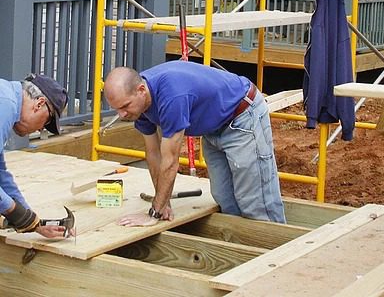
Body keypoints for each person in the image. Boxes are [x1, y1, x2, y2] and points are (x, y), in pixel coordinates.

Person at [103, 60, 286, 226]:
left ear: (141, 90)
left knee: (255, 201)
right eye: (117, 109)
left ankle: (277, 253)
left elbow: (170, 162)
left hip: (242, 116)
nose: (122, 115)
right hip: (213, 127)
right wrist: (163, 203)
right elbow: (153, 154)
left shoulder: (172, 96)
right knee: (225, 198)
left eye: (125, 106)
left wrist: (154, 213)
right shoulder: (139, 105)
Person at [0, 73, 69, 238]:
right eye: (46, 122)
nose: (40, 130)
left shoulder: (6, 98)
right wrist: (16, 213)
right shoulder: (5, 106)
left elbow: (1, 174)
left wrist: (34, 222)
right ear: (39, 104)